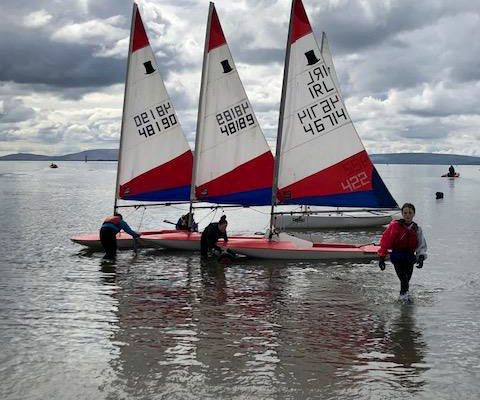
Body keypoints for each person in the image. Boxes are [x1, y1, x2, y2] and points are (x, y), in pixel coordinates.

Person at [378, 203, 427, 300]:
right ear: (402, 214)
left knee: (406, 283)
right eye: (405, 213)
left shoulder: (417, 229)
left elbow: (421, 245)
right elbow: (385, 241)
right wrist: (381, 258)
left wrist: (421, 258)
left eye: (410, 213)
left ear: (414, 214)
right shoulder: (394, 226)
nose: (407, 215)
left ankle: (403, 303)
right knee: (404, 280)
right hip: (398, 257)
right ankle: (404, 306)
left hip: (409, 258)